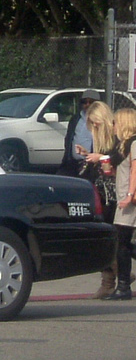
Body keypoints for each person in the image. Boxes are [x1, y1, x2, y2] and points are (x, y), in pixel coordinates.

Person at [77, 101, 118, 298]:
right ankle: (111, 278)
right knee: (105, 237)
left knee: (115, 237)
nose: (94, 128)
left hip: (114, 193)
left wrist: (100, 157)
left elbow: (118, 158)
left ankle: (114, 277)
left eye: (96, 124)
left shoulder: (116, 135)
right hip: (101, 191)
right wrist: (88, 155)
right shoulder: (100, 138)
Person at [103, 107, 136, 300]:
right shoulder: (123, 145)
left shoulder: (133, 143)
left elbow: (135, 171)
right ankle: (123, 286)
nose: (113, 126)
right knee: (121, 242)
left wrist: (130, 195)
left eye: (115, 122)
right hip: (124, 197)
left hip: (129, 200)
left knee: (121, 242)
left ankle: (123, 287)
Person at [58, 89, 100, 177]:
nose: (87, 105)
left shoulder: (100, 121)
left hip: (91, 165)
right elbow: (69, 139)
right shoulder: (76, 119)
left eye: (91, 102)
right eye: (84, 102)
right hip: (73, 163)